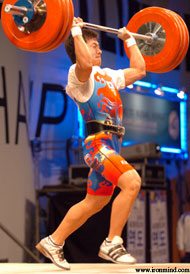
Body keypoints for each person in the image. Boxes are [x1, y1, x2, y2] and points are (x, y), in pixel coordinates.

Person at [36, 17, 146, 270]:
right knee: (132, 182)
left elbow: (140, 70)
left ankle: (54, 241)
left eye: (98, 45)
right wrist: (75, 31)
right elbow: (83, 61)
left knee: (95, 202)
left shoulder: (107, 75)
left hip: (113, 145)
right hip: (98, 145)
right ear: (80, 48)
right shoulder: (77, 75)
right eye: (93, 44)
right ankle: (112, 242)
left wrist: (129, 39)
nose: (98, 49)